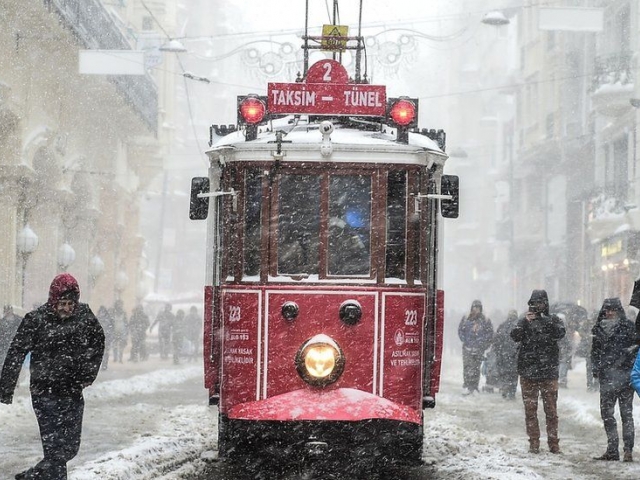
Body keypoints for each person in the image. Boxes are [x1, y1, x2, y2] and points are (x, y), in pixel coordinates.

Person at [0, 273, 105, 480]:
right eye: (62, 303)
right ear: (52, 301)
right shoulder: (36, 320)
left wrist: (88, 373)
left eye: (70, 304)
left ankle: (33, 475)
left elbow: (98, 343)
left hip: (72, 390)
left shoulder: (84, 316)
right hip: (44, 392)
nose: (66, 308)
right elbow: (16, 351)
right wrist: (6, 388)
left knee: (70, 447)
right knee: (55, 449)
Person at [511, 289, 565, 454]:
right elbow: (514, 336)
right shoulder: (524, 320)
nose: (537, 306)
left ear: (546, 304)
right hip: (528, 372)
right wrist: (524, 323)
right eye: (534, 303)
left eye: (540, 303)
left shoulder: (553, 320)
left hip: (548, 372)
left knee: (551, 411)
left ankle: (553, 443)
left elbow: (560, 333)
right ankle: (534, 443)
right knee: (530, 410)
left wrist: (545, 321)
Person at [591, 297, 637, 462]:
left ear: (618, 311)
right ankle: (612, 449)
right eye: (607, 310)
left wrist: (626, 360)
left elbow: (635, 349)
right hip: (607, 377)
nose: (610, 313)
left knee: (626, 414)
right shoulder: (598, 329)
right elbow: (594, 352)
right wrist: (596, 368)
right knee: (607, 414)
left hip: (624, 378)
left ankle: (628, 450)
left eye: (613, 310)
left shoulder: (629, 327)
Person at [458, 300, 494, 395]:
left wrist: (483, 345)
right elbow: (460, 331)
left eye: (478, 308)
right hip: (467, 348)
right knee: (467, 367)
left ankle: (474, 386)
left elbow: (490, 334)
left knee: (476, 368)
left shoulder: (485, 320)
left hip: (478, 349)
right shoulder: (466, 318)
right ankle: (466, 385)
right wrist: (465, 340)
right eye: (475, 307)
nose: (476, 310)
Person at [494, 309, 520, 399]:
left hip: (504, 354)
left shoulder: (502, 326)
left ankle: (505, 387)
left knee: (505, 373)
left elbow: (496, 340)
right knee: (514, 374)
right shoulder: (519, 325)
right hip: (514, 354)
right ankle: (511, 392)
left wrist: (498, 352)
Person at [96, 306, 114, 370]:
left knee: (101, 352)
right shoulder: (109, 318)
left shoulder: (97, 318)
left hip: (100, 338)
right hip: (105, 337)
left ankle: (102, 364)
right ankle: (104, 365)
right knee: (105, 352)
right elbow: (112, 328)